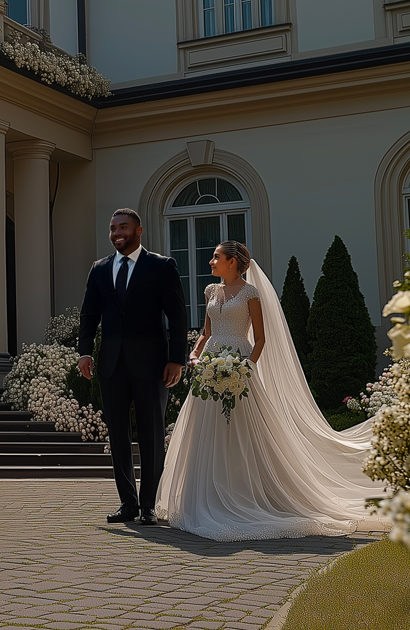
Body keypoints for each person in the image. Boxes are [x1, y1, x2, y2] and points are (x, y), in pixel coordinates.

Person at [157, 240, 383, 541]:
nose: (210, 262)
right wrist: (195, 355)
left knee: (244, 432)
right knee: (204, 430)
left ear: (233, 262)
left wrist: (247, 366)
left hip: (239, 364)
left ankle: (245, 492)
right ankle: (204, 496)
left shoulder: (251, 294)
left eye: (216, 257)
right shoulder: (211, 291)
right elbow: (206, 332)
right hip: (209, 367)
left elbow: (261, 338)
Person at [77, 208, 188, 525]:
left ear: (138, 231)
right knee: (118, 436)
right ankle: (128, 503)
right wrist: (85, 352)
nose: (116, 233)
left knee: (152, 436)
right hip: (111, 365)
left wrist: (176, 358)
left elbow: (177, 316)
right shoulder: (99, 269)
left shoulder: (161, 266)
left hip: (152, 364)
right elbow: (89, 316)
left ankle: (149, 505)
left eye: (123, 227)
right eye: (112, 228)